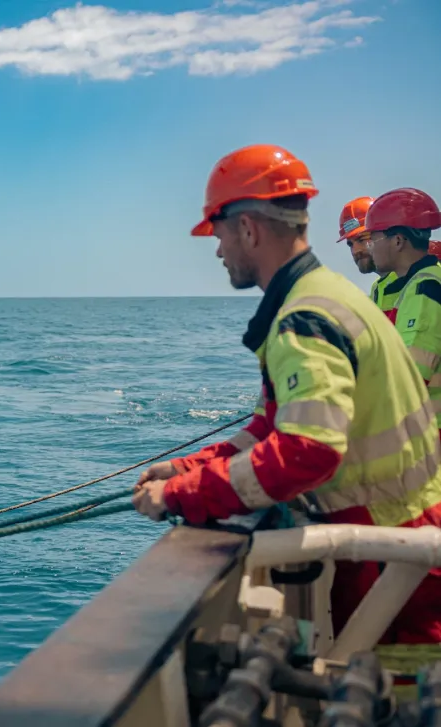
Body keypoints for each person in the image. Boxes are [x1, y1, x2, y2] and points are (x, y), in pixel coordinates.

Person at [131, 144, 441, 674]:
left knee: (398, 696)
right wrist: (190, 466)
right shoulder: (328, 294)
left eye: (219, 234)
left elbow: (306, 451)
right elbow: (272, 426)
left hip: (391, 560)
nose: (217, 251)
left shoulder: (306, 317)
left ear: (248, 228)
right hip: (398, 538)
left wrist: (186, 494)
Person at [366, 187, 441, 433]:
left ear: (398, 241)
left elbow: (410, 379)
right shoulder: (415, 283)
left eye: (373, 239)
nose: (370, 248)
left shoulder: (425, 288)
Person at [338, 196, 400, 320]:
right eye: (350, 244)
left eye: (361, 239)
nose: (356, 251)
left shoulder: (414, 279)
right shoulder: (377, 289)